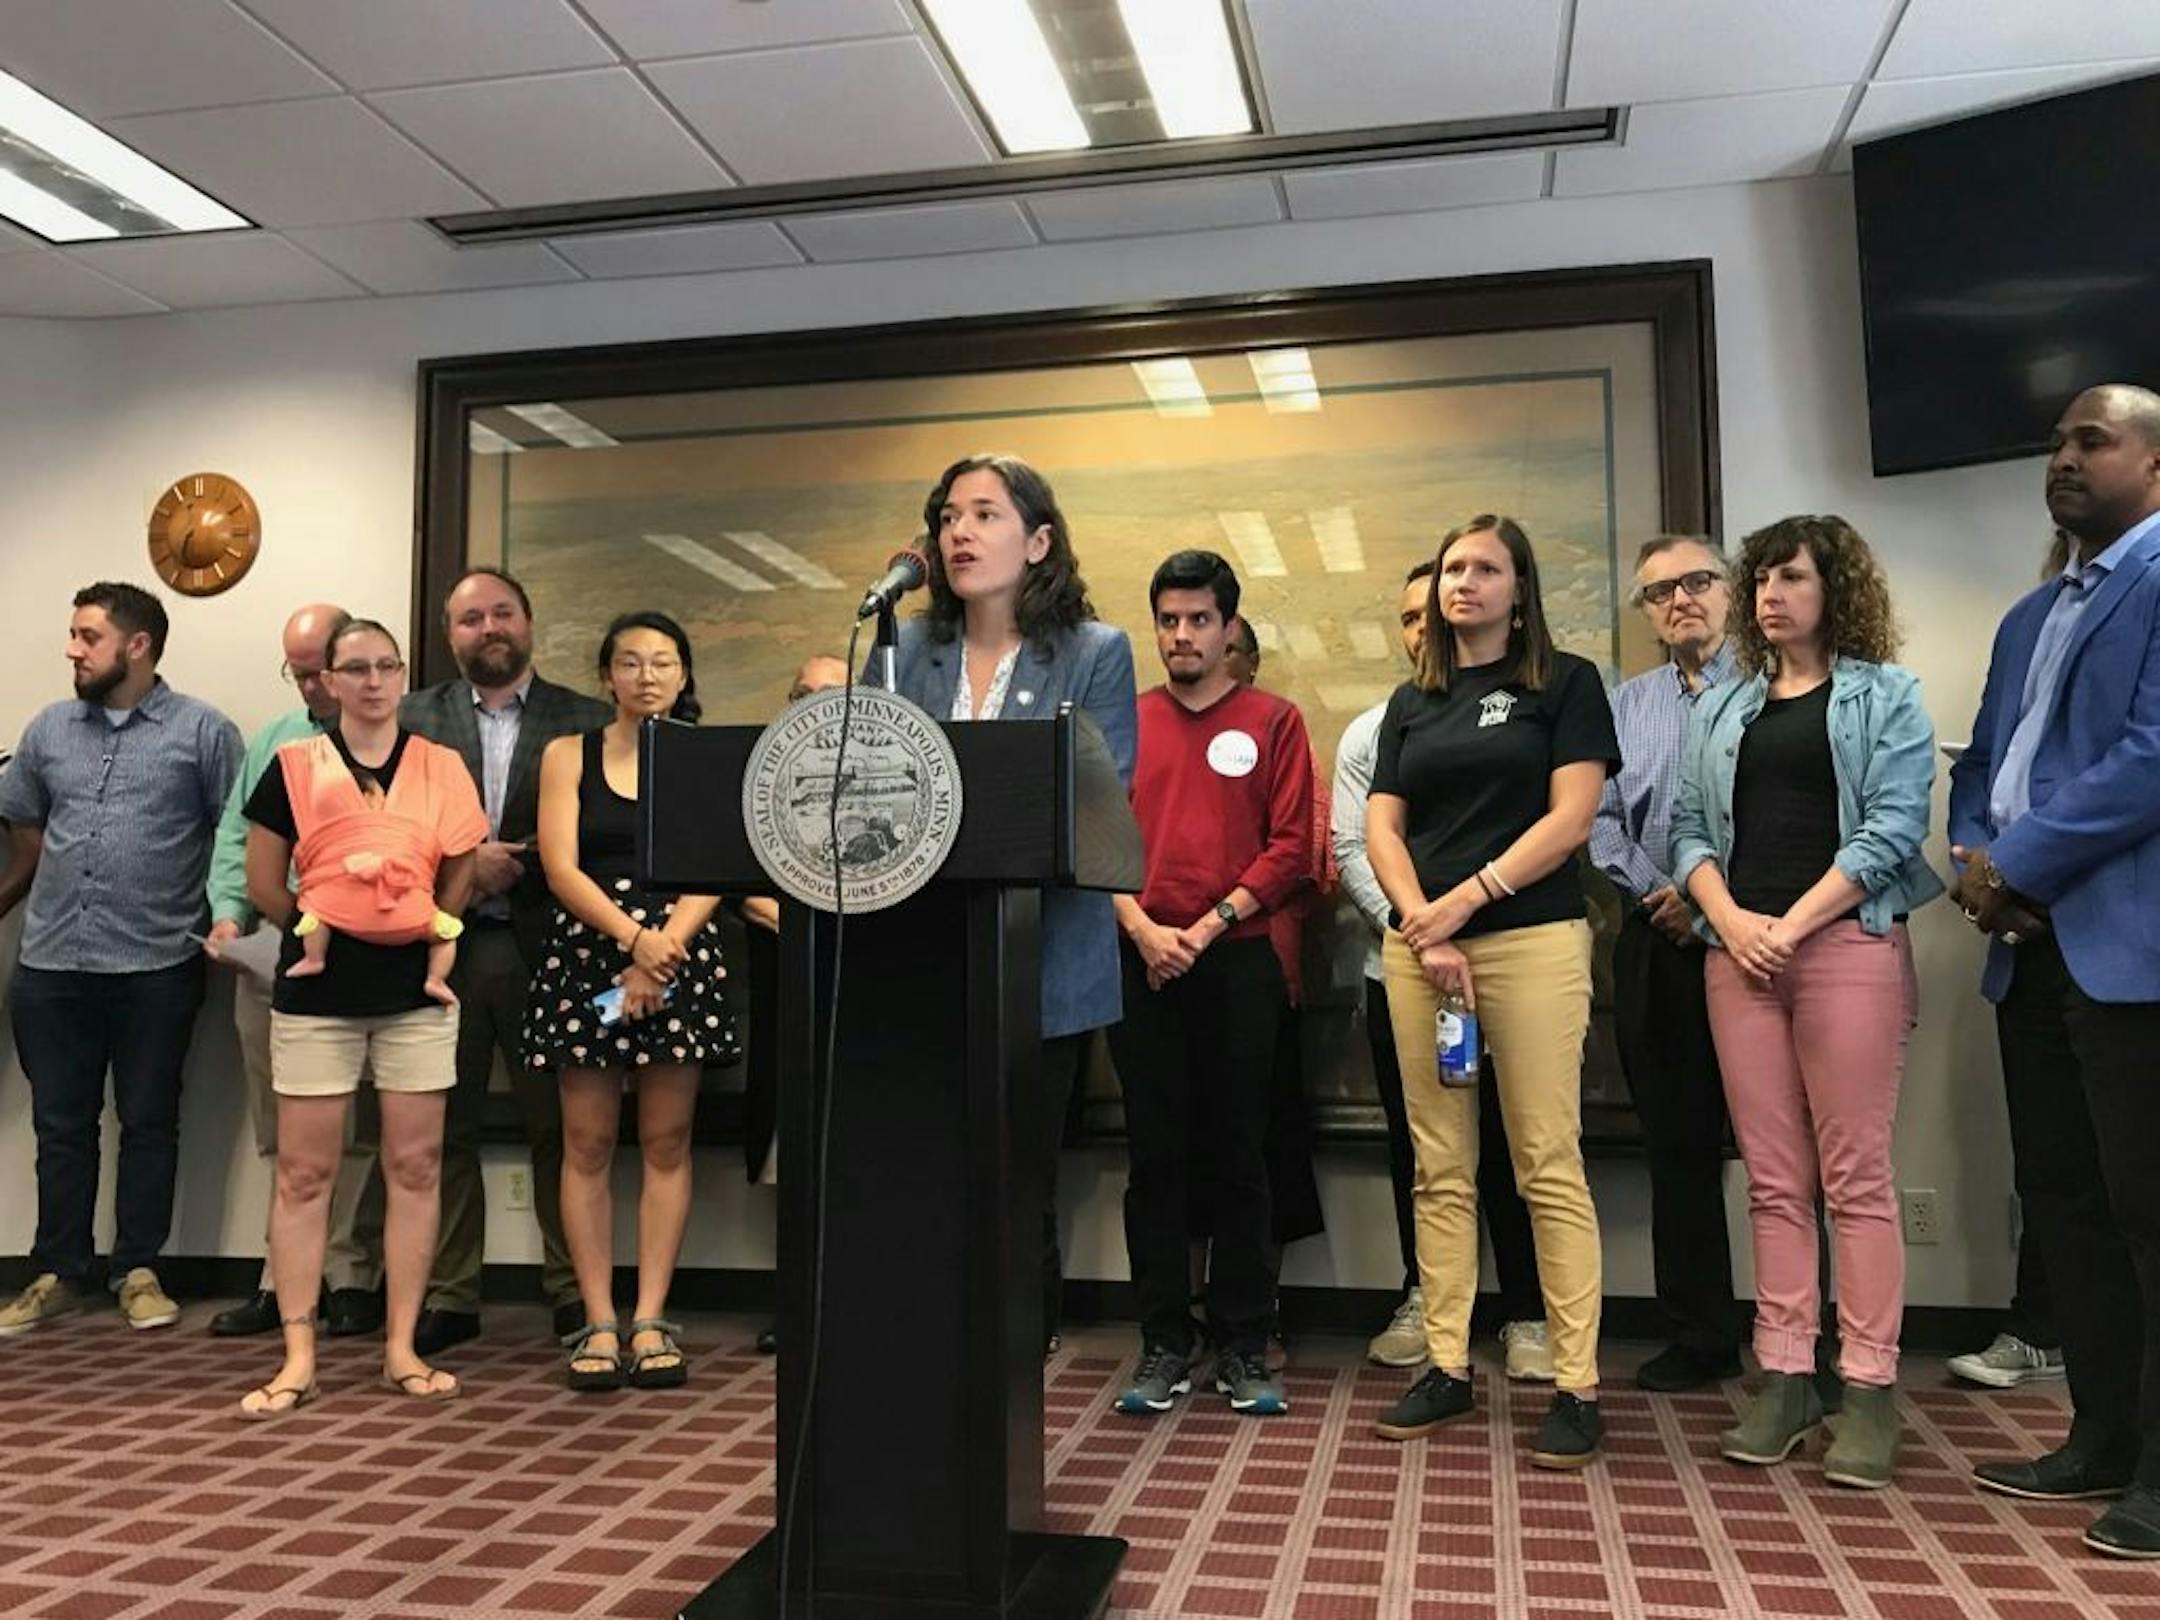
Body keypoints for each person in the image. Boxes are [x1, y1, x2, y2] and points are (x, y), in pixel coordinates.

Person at [1671, 514, 1940, 1489]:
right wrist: (1734, 923)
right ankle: (1785, 1376)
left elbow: (1897, 828)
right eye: (1761, 581)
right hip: (1738, 957)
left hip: (1846, 948)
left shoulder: (1887, 695)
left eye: (1791, 577)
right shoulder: (1725, 705)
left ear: (1837, 589)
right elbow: (1690, 833)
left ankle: (1867, 1390)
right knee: (1774, 1182)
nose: (1769, 596)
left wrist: (1794, 921)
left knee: (1855, 1182)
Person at [1950, 383, 2160, 1556]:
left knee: (2152, 1214)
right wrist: (1977, 857)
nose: (2064, 458)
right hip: (2026, 951)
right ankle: (2101, 1437)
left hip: (2129, 945)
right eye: (2057, 444)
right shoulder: (2032, 616)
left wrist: (2016, 866)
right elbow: (1983, 758)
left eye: (2093, 440)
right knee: (2070, 1206)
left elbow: (2152, 755)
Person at [1364, 516, 1619, 1469]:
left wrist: (1463, 903)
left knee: (1546, 1160)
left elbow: (1572, 819)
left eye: (1485, 569)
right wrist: (1422, 920)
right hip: (1423, 954)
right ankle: (1443, 1366)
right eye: (1453, 570)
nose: (1463, 583)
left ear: (1521, 588)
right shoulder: (1411, 700)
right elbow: (1383, 825)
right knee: (1441, 1166)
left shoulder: (1563, 684)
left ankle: (1577, 1383)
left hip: (1532, 941)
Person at [890, 453, 1138, 1358]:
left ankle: (1015, 1362)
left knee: (1018, 1177)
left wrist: (958, 819)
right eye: (948, 514)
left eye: (985, 514)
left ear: (1038, 541)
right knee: (930, 1170)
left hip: (1044, 958)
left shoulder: (1094, 652)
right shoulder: (908, 649)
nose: (959, 531)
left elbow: (1094, 796)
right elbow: (885, 787)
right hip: (920, 957)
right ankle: (928, 1344)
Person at [236, 618, 486, 1415]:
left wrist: (423, 931)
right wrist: (325, 929)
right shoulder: (291, 766)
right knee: (305, 1173)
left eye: (386, 666)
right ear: (328, 681)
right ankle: (299, 1353)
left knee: (414, 1167)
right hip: (318, 993)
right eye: (356, 668)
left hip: (417, 994)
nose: (373, 681)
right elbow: (266, 880)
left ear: (402, 675)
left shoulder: (442, 765)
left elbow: (461, 870)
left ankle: (402, 1345)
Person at [0, 582, 241, 1336]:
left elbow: (231, 839)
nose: (72, 649)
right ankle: (57, 1271)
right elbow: (26, 834)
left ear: (136, 645)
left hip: (157, 966)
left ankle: (139, 1268)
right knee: (60, 1126)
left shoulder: (204, 732)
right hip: (51, 967)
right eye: (73, 635)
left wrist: (227, 927)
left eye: (87, 636)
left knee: (149, 1121)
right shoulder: (47, 730)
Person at [1108, 548, 1309, 1419]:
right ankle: (1161, 1343)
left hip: (1235, 957)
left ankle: (1241, 1343)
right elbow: (1089, 839)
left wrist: (1208, 923)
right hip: (1139, 954)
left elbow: (1292, 844)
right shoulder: (1123, 719)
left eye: (1198, 620)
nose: (1181, 636)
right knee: (1154, 1159)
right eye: (1168, 620)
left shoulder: (1275, 719)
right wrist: (1146, 930)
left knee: (1239, 1156)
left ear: (1230, 630)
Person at [1336, 562, 1548, 1376]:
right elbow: (1353, 846)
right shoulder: (1374, 728)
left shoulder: (1523, 717)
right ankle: (1426, 1297)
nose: (1424, 630)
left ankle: (1526, 1310)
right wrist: (1420, 930)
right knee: (1422, 1150)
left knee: (1514, 1141)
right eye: (1409, 620)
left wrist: (1466, 921)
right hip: (1405, 975)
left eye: (1434, 614)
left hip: (1510, 963)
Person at [401, 566, 612, 1354]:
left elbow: (603, 836)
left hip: (548, 949)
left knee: (562, 1129)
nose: (488, 629)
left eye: (502, 614)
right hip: (438, 951)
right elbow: (383, 832)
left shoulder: (584, 719)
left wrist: (519, 860)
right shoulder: (413, 717)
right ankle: (451, 1293)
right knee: (440, 1131)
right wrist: (462, 866)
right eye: (469, 618)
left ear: (529, 623)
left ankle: (571, 1290)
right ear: (449, 633)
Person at [528, 612, 739, 1391]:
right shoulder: (565, 755)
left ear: (684, 676)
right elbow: (560, 867)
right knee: (584, 1143)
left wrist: (661, 953)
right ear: (604, 676)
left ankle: (651, 1317)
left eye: (662, 663)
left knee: (667, 1140)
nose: (646, 676)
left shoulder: (703, 759)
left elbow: (714, 866)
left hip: (678, 955)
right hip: (592, 954)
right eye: (629, 662)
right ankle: (598, 1320)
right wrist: (631, 942)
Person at [203, 603, 387, 1340]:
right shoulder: (275, 741)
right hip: (275, 956)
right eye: (298, 672)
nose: (308, 686)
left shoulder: (390, 746)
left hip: (364, 961)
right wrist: (228, 913)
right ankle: (281, 1278)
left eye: (319, 671)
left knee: (353, 1131)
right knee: (281, 1131)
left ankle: (348, 1275)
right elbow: (235, 839)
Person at [1589, 536, 1745, 1392]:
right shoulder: (1624, 705)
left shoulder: (1773, 693)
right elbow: (1599, 819)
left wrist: (1713, 900)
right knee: (1676, 1151)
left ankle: (1818, 1346)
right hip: (1656, 939)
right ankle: (1701, 1336)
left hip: (1759, 935)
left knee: (1787, 1150)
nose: (1680, 600)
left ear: (1730, 590)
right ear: (1647, 615)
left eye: (1696, 582)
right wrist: (1664, 894)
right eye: (1659, 593)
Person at [740, 654, 849, 1357]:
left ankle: (857, 1299)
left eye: (830, 697)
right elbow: (736, 879)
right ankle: (800, 1303)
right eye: (801, 693)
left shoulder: (887, 775)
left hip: (867, 981)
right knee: (794, 1144)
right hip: (785, 977)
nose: (812, 706)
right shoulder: (759, 780)